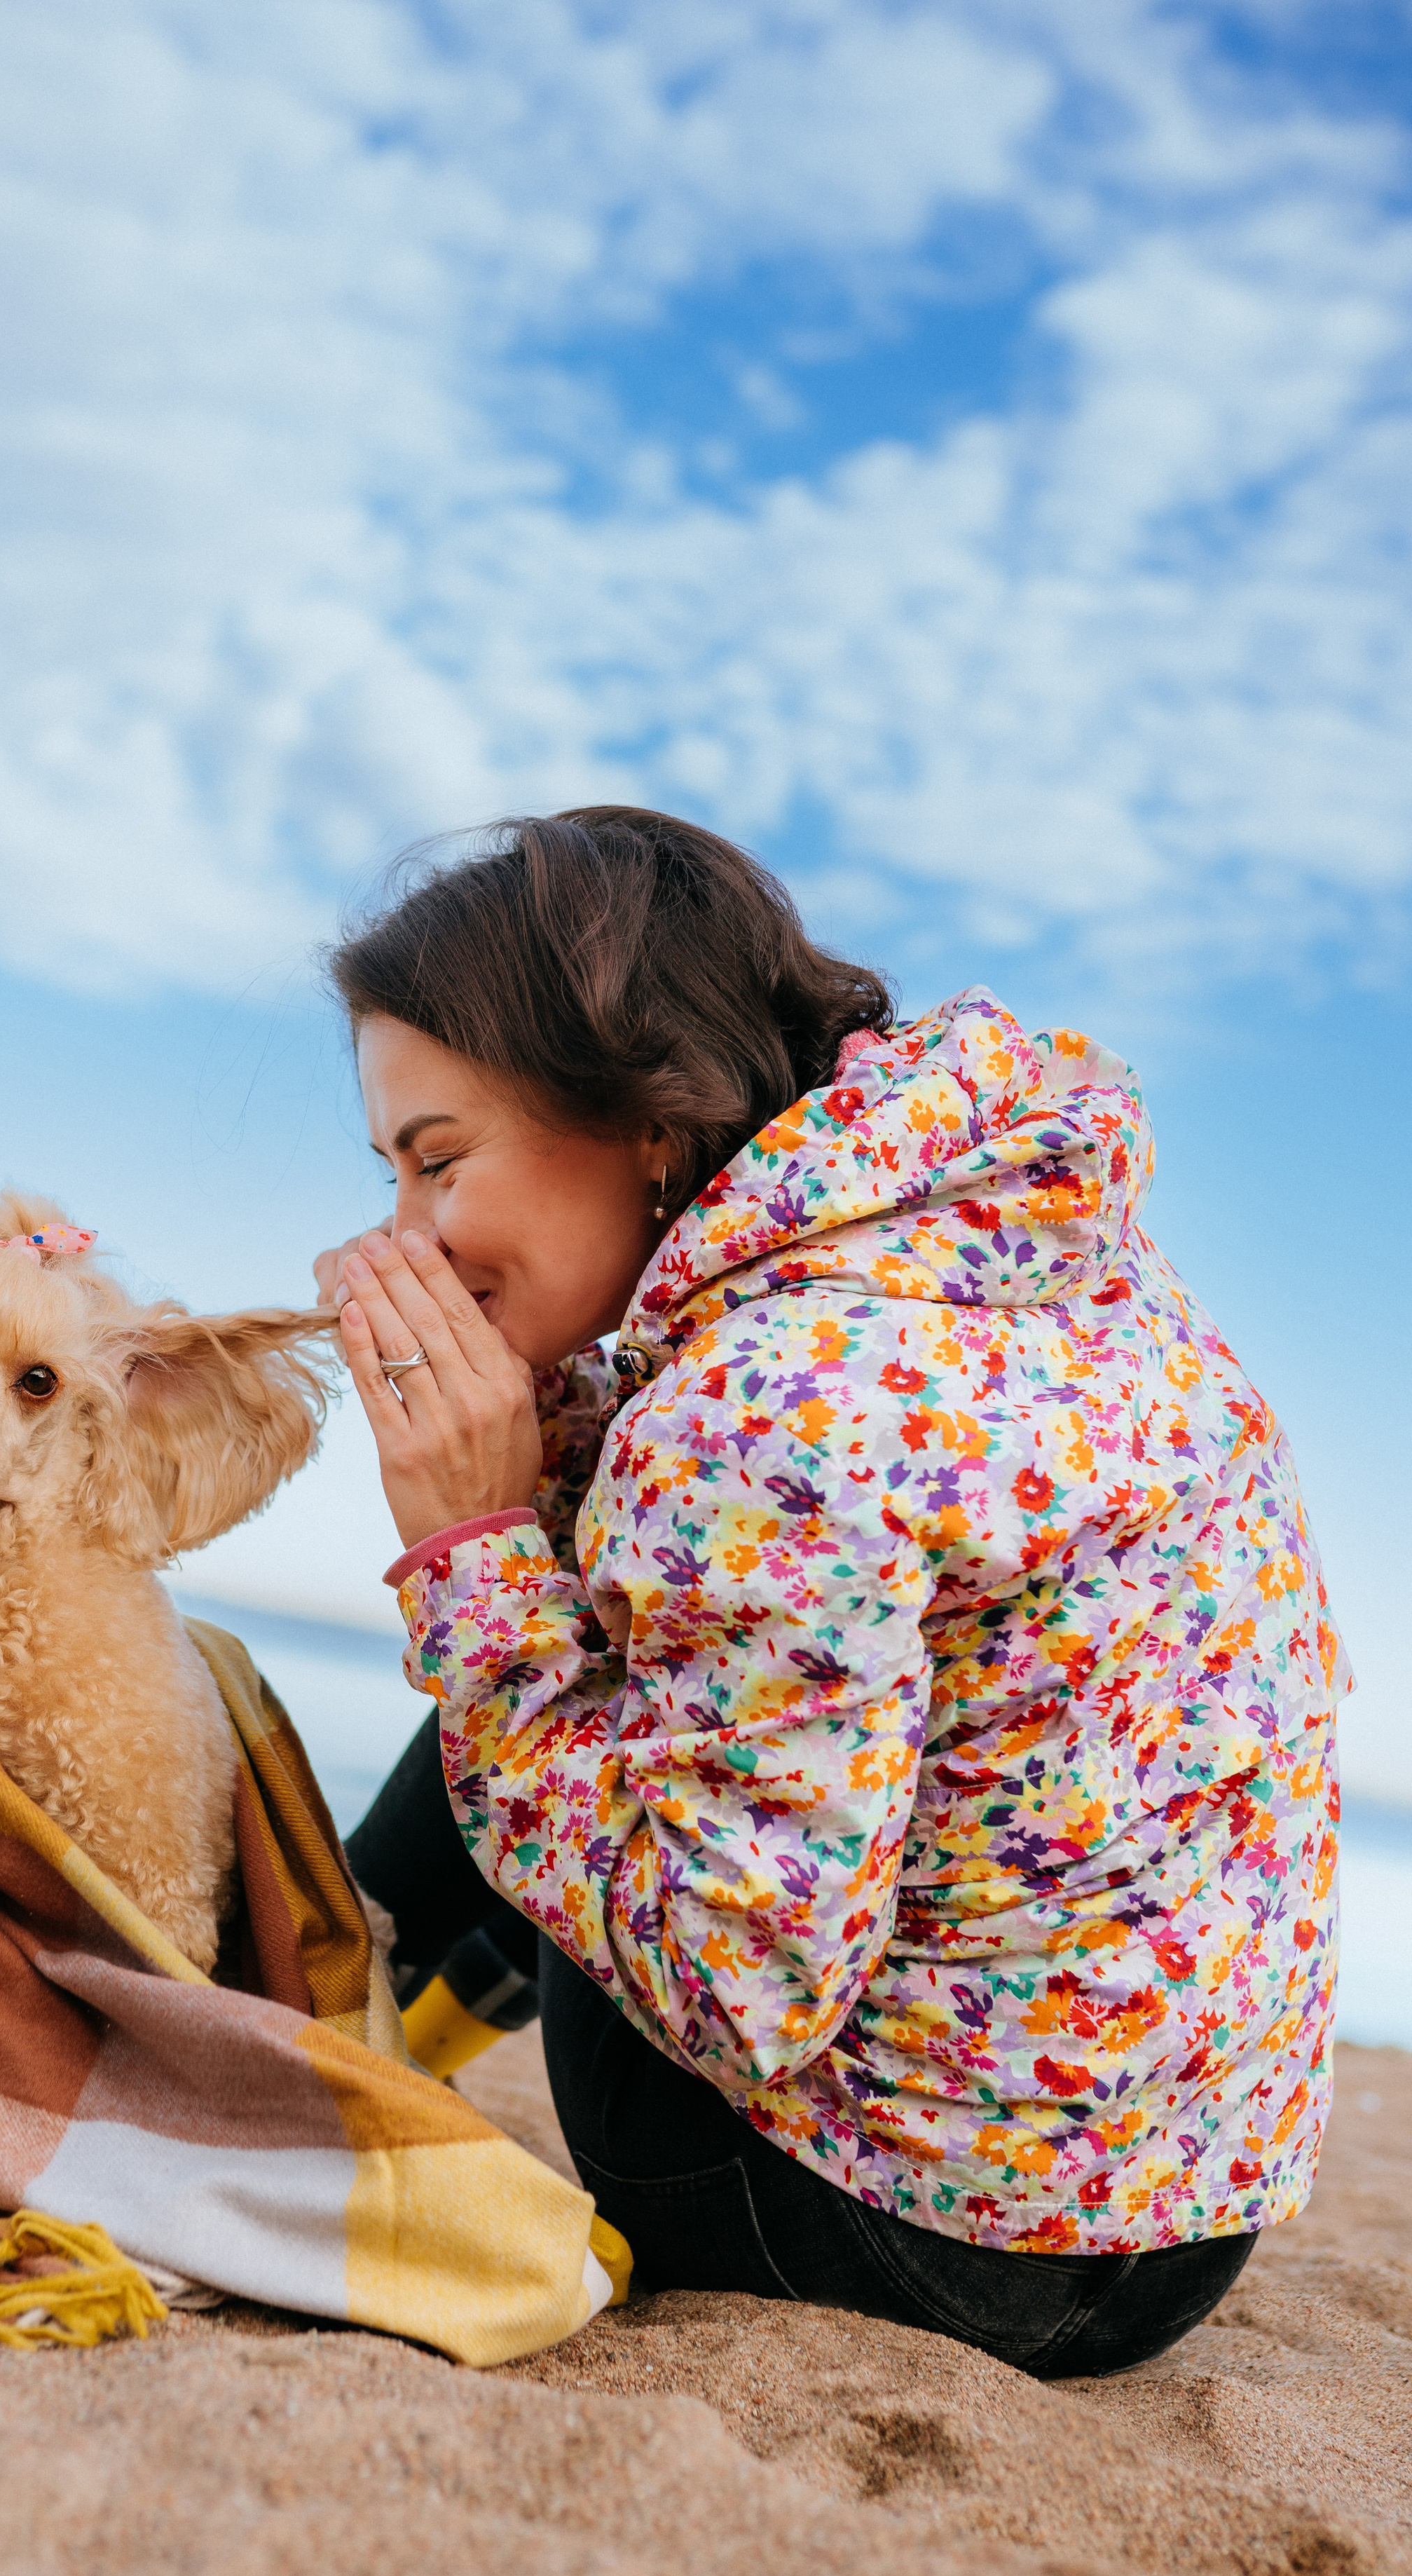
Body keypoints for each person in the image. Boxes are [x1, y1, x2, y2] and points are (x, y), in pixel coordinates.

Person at [320, 805, 1344, 2379]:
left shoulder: (756, 1402)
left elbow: (731, 1991)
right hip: (1181, 2219)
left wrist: (473, 1548)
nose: (406, 1237)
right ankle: (367, 2005)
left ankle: (318, 2018)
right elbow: (789, 1603)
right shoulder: (999, 1238)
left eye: (436, 1160)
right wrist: (547, 1478)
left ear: (641, 1110)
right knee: (582, 1631)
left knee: (539, 1640)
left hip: (919, 2245)